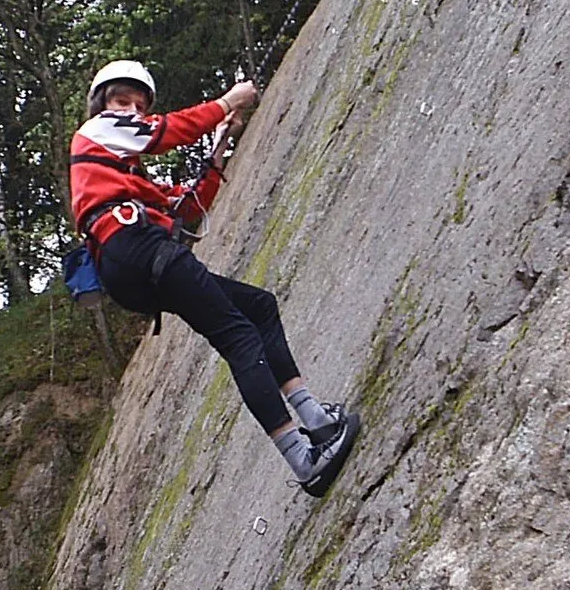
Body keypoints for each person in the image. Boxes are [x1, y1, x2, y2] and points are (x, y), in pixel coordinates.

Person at [70, 59, 360, 497]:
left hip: (133, 263)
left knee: (258, 307)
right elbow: (164, 133)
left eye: (137, 103)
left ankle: (317, 420)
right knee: (239, 337)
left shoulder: (126, 180)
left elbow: (187, 208)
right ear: (103, 106)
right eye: (120, 101)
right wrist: (228, 100)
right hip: (134, 247)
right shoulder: (93, 133)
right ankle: (304, 460)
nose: (130, 110)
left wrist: (222, 142)